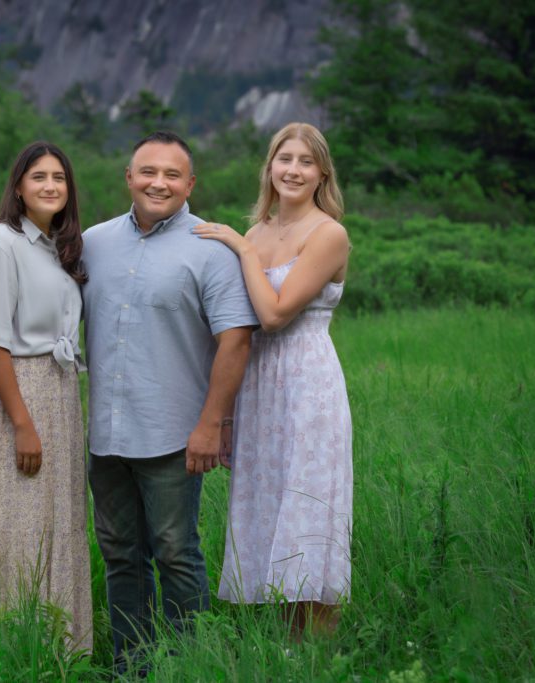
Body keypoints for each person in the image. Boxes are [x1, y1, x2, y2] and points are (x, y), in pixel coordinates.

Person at [81, 131, 258, 670]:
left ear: (190, 184)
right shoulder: (92, 242)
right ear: (129, 178)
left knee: (177, 553)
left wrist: (211, 425)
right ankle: (131, 665)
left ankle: (188, 664)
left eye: (172, 174)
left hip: (173, 434)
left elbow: (236, 340)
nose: (159, 182)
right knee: (119, 554)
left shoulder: (213, 249)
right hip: (104, 435)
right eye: (148, 172)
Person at [192, 122, 352, 637]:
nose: (294, 170)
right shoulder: (259, 232)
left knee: (306, 510)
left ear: (322, 172)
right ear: (270, 167)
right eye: (285, 159)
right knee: (267, 509)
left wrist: (241, 252)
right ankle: (281, 651)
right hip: (258, 386)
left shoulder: (328, 233)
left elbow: (276, 314)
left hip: (307, 384)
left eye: (306, 162)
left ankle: (319, 657)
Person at [0, 142, 92, 651]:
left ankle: (58, 644)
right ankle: (0, 642)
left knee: (57, 520)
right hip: (20, 388)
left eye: (59, 177)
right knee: (15, 521)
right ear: (18, 186)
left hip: (59, 391)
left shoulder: (56, 245)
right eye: (39, 177)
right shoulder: (1, 244)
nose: (51, 186)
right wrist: (22, 422)